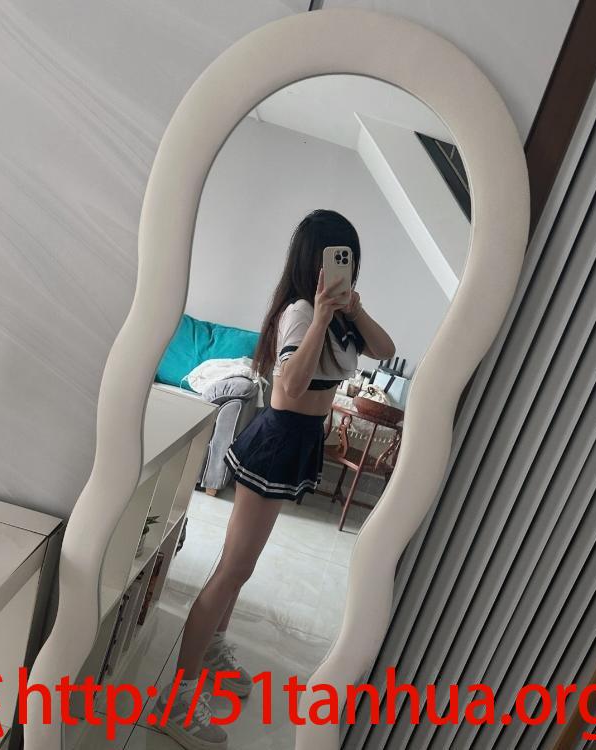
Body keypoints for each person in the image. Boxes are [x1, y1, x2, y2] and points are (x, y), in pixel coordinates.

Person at [156, 209, 395, 749]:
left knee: (242, 568)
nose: (345, 268)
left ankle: (211, 652)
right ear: (312, 261)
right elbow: (291, 382)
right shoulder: (300, 313)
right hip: (278, 439)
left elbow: (385, 351)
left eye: (350, 259)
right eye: (336, 257)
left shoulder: (342, 317)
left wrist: (352, 307)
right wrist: (320, 316)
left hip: (300, 441)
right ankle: (176, 700)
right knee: (231, 570)